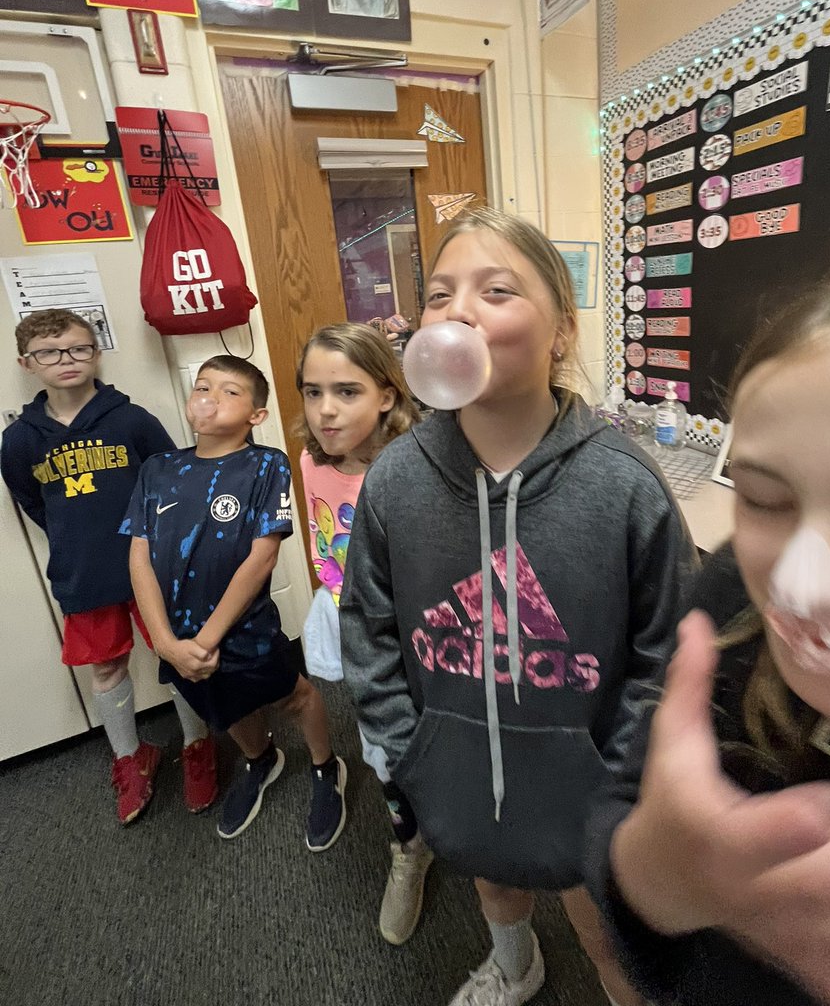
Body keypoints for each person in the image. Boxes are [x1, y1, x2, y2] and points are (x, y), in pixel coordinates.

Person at [340, 210, 697, 1006]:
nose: (458, 312)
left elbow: (668, 654)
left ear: (561, 331)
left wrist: (617, 773)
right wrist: (408, 750)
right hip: (455, 770)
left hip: (588, 787)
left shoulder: (625, 487)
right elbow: (368, 624)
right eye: (440, 295)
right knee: (493, 883)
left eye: (496, 291)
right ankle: (514, 966)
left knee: (605, 932)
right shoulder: (395, 481)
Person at [587, 263, 830, 1006]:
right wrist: (664, 871)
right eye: (764, 499)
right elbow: (623, 805)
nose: (801, 583)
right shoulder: (731, 594)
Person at [1, 308, 217, 823]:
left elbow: (174, 481)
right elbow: (32, 502)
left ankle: (197, 744)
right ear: (27, 363)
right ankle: (130, 757)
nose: (66, 359)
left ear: (96, 353)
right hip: (83, 573)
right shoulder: (20, 440)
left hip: (153, 568)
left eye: (78, 348)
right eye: (49, 353)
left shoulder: (131, 419)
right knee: (105, 666)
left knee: (177, 656)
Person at [122, 354, 347, 848]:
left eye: (229, 392)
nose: (210, 398)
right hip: (176, 638)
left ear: (256, 415)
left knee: (293, 695)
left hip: (242, 629)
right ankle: (261, 759)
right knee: (224, 704)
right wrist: (165, 643)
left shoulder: (265, 464)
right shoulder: (158, 469)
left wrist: (205, 640)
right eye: (203, 387)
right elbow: (139, 557)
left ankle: (325, 766)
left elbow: (262, 558)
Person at [296, 323, 429, 945]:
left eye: (346, 392)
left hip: (414, 630)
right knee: (381, 744)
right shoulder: (311, 460)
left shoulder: (414, 469)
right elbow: (325, 540)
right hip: (348, 619)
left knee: (431, 734)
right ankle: (410, 846)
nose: (325, 410)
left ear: (386, 395)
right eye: (312, 391)